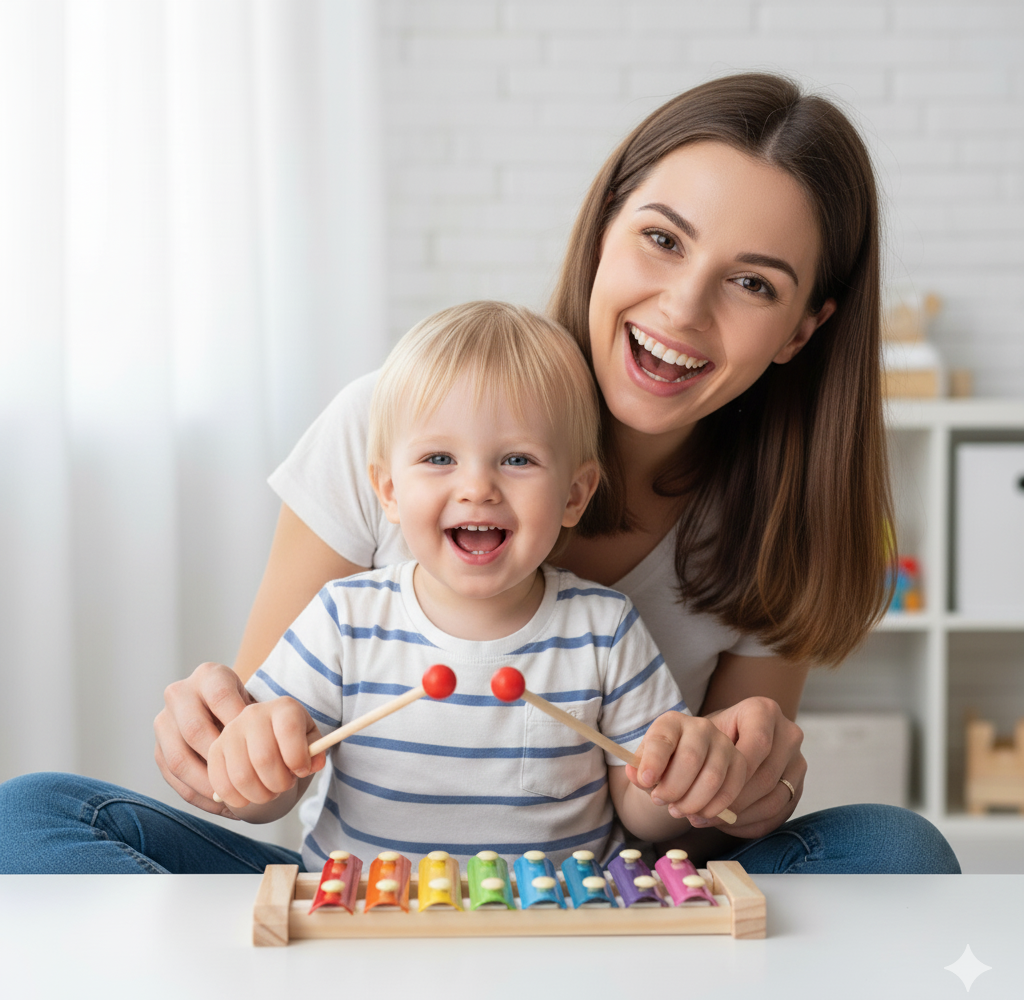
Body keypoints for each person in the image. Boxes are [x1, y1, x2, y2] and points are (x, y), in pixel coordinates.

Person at [0, 72, 959, 874]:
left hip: (591, 901)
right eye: (661, 239)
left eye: (753, 283)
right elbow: (256, 766)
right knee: (31, 812)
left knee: (896, 850)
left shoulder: (761, 532)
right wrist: (223, 751)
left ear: (804, 328)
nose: (682, 307)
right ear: (605, 226)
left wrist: (729, 784)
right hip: (362, 893)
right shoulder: (388, 422)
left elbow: (690, 837)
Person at [207, 301, 746, 868]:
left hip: (557, 925)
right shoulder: (344, 619)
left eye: (517, 459)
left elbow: (643, 813)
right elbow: (266, 801)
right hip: (366, 928)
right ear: (388, 491)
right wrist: (256, 761)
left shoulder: (605, 628)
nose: (477, 487)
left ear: (575, 495)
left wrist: (682, 780)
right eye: (439, 457)